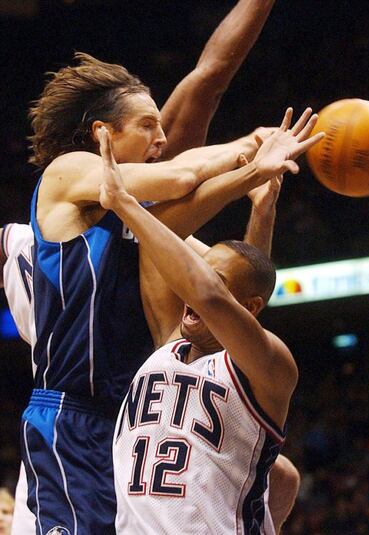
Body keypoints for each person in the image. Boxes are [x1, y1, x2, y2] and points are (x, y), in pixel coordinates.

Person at [11, 2, 311, 533]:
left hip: (135, 420)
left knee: (279, 476)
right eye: (147, 125)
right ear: (103, 132)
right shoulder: (71, 173)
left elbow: (229, 288)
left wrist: (261, 202)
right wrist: (250, 149)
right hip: (72, 415)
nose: (162, 138)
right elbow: (177, 174)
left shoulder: (153, 229)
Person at [96, 125, 312, 533]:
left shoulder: (272, 367)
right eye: (201, 268)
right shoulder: (168, 347)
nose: (194, 288)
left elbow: (216, 298)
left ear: (249, 309)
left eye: (214, 278)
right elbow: (221, 293)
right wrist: (261, 207)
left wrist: (126, 205)